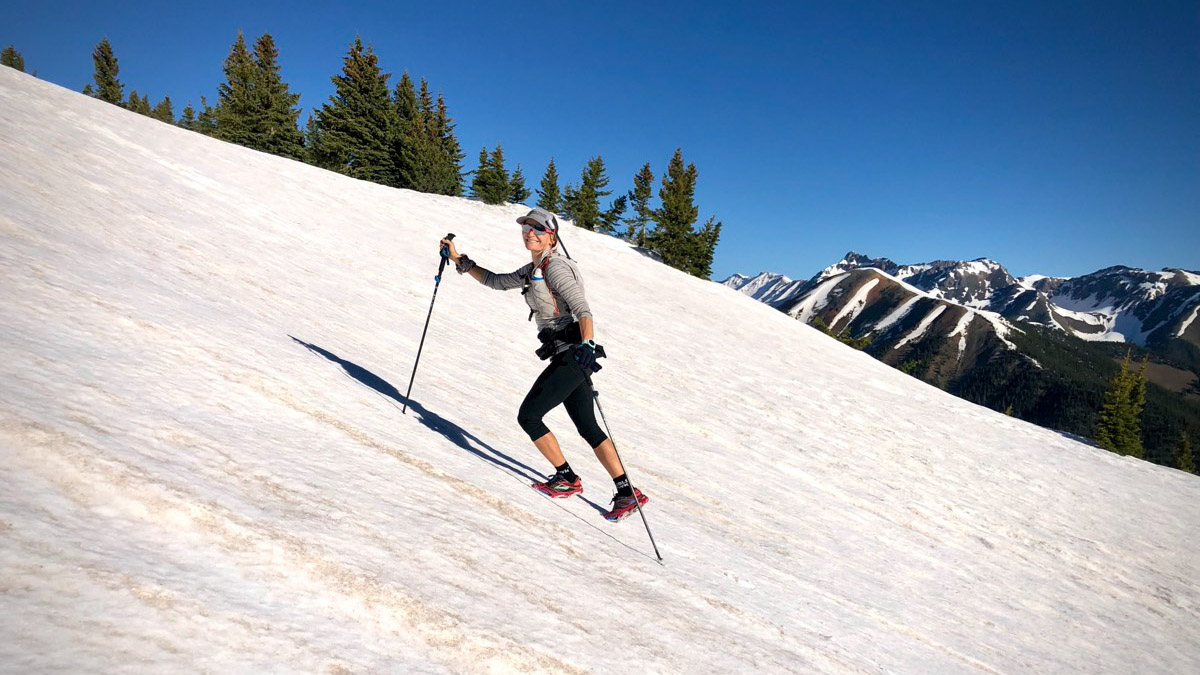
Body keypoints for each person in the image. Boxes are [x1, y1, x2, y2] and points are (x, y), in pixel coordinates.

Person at [439, 207, 649, 521]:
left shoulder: (556, 268)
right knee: (588, 426)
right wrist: (460, 261)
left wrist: (588, 346)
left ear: (551, 235)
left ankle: (567, 478)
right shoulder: (534, 267)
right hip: (568, 354)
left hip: (574, 355)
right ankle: (626, 492)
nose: (529, 234)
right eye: (525, 229)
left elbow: (583, 310)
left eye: (536, 229)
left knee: (529, 416)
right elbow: (496, 281)